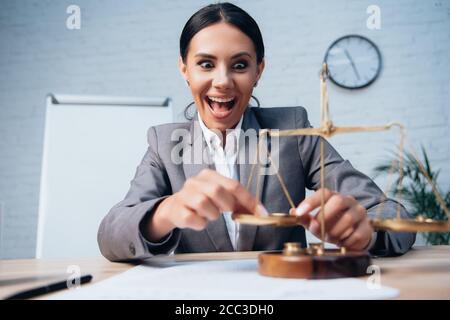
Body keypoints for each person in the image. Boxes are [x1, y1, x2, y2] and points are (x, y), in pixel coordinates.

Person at [98, 2, 415, 262]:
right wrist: (164, 212)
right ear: (185, 70)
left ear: (258, 71)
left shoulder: (292, 130)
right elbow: (110, 235)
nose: (222, 81)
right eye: (206, 64)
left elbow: (397, 217)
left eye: (239, 65)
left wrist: (366, 231)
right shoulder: (165, 144)